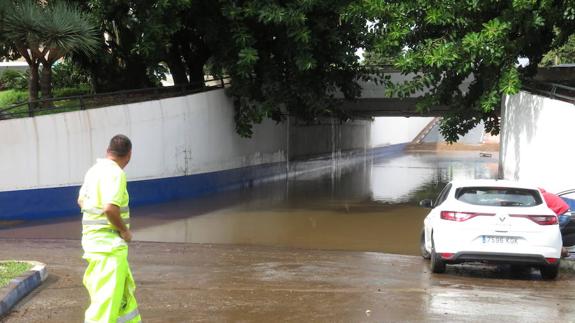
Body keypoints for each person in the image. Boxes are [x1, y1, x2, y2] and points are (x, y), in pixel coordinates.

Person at [78, 134, 141, 323]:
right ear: (129, 155)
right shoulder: (116, 173)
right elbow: (110, 208)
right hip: (108, 247)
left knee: (122, 299)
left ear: (108, 151)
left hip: (97, 245)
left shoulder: (93, 171)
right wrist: (124, 231)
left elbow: (81, 200)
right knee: (104, 306)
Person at [539, 188, 570, 257]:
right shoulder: (548, 194)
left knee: (553, 235)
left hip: (562, 215)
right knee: (555, 234)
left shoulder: (541, 197)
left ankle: (562, 253)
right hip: (566, 214)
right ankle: (563, 252)